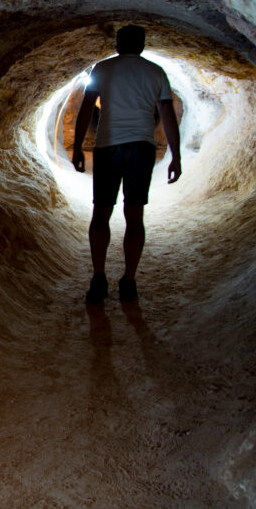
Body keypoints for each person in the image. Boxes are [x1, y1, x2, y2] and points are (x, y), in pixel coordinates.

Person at [71, 25, 180, 303]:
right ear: (142, 45)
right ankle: (129, 281)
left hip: (108, 147)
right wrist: (175, 156)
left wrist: (78, 148)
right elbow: (167, 115)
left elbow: (87, 108)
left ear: (117, 45)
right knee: (134, 217)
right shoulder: (156, 72)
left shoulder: (103, 69)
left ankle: (98, 277)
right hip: (141, 149)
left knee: (100, 214)